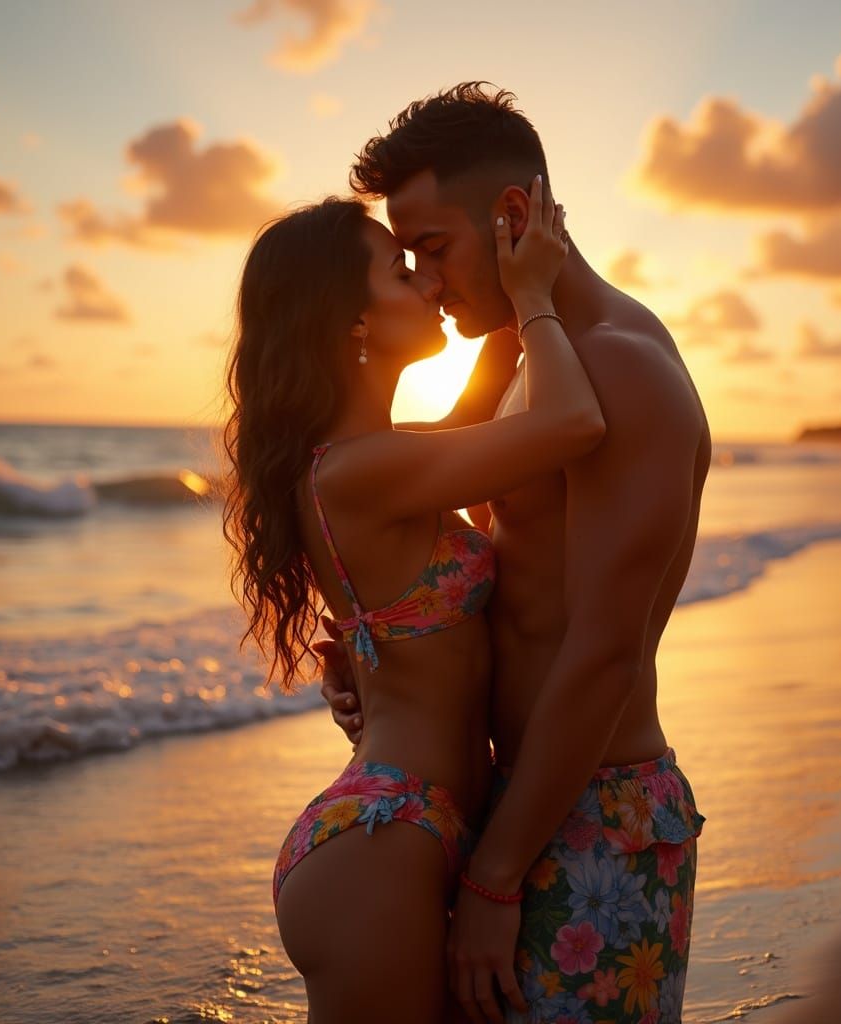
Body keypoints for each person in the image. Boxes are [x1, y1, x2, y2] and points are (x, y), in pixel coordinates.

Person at [321, 82, 710, 1024]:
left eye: (433, 248)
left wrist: (495, 877)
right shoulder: (528, 357)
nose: (426, 280)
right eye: (407, 258)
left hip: (593, 818)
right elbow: (423, 498)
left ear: (512, 216)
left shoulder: (620, 364)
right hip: (523, 806)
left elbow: (606, 650)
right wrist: (390, 664)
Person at [221, 182, 605, 1023]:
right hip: (382, 843)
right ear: (351, 321)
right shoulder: (361, 472)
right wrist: (533, 295)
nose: (428, 282)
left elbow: (488, 421)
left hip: (412, 830)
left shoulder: (372, 458)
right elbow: (573, 422)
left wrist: (499, 287)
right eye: (402, 273)